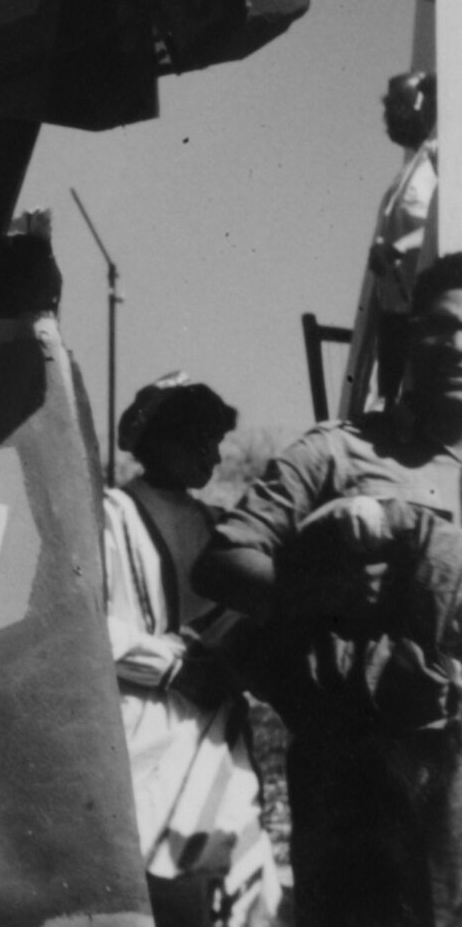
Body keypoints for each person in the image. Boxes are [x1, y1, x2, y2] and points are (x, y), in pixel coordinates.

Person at [200, 248, 462, 925]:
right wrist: (325, 591)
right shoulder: (338, 451)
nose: (457, 345)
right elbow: (223, 562)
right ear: (410, 338)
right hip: (359, 769)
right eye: (441, 325)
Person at [100, 374, 281, 926]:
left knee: (230, 872)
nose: (214, 456)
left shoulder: (215, 526)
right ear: (162, 441)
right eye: (202, 440)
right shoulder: (109, 514)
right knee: (153, 875)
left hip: (213, 722)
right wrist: (171, 668)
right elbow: (86, 624)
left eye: (216, 441)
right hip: (142, 722)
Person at [351, 70, 439, 408]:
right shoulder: (410, 170)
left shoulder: (441, 156)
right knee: (390, 411)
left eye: (399, 106)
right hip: (396, 315)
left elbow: (450, 222)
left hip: (428, 314)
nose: (391, 116)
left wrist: (399, 247)